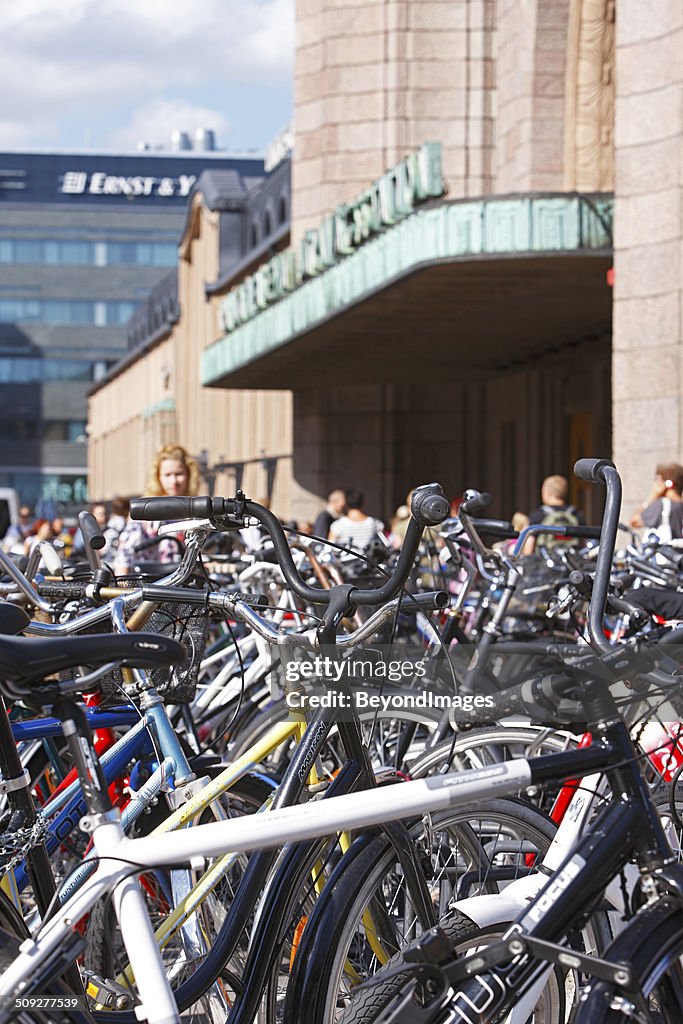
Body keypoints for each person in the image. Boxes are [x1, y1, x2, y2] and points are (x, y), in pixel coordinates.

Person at [113, 444, 200, 576]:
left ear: (189, 475)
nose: (174, 481)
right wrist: (122, 590)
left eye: (179, 474)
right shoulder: (145, 511)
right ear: (158, 477)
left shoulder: (198, 510)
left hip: (190, 588)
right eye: (167, 475)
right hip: (151, 586)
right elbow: (124, 557)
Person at [525, 475, 584, 553]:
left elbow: (529, 546)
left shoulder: (539, 515)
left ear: (546, 492)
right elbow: (583, 543)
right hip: (571, 562)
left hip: (545, 563)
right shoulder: (576, 514)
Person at [630, 462, 683, 541]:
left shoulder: (661, 505)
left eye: (658, 479)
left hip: (661, 552)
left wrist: (652, 497)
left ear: (668, 483)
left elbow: (634, 522)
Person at [328, 488, 384, 554]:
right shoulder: (375, 523)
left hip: (344, 563)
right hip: (368, 561)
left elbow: (329, 548)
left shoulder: (337, 525)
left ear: (346, 503)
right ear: (362, 502)